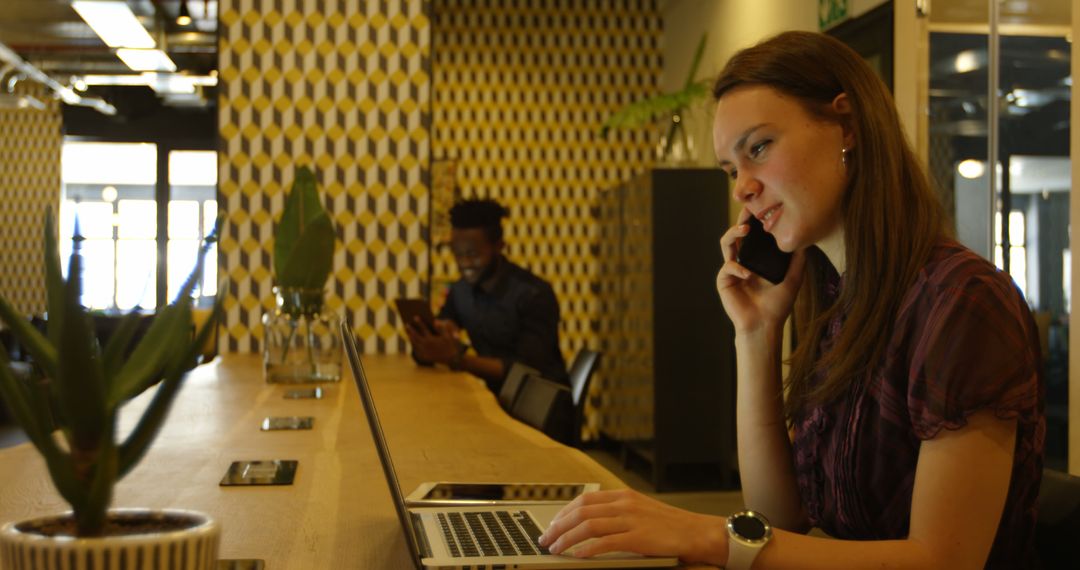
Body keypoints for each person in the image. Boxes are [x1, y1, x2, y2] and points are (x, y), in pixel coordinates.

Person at [537, 31, 1044, 569]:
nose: (742, 189)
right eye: (732, 170)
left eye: (758, 148)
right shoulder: (838, 299)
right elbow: (778, 516)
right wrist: (755, 334)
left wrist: (706, 535)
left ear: (847, 125)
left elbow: (943, 561)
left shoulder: (962, 303)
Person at [405, 198, 569, 394]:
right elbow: (441, 332)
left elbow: (526, 371)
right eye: (458, 254)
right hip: (498, 398)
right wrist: (433, 340)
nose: (464, 263)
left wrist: (456, 359)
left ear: (499, 246)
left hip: (541, 407)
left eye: (473, 254)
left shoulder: (534, 294)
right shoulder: (460, 291)